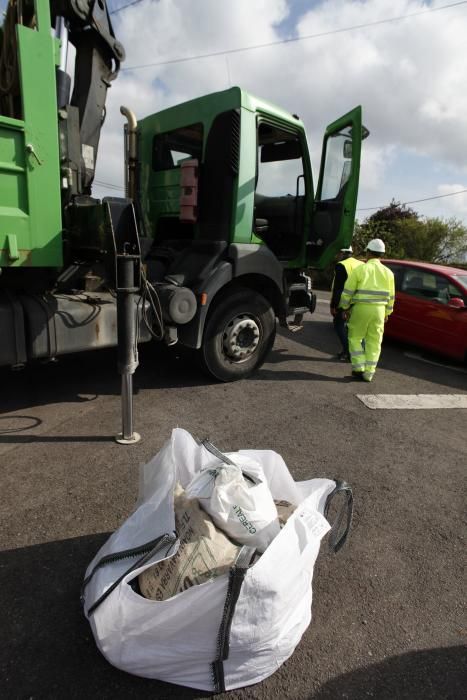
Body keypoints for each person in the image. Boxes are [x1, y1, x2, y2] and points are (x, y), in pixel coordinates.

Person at [339, 238, 395, 382]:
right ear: (381, 254)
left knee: (355, 337)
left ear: (368, 252)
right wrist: (387, 313)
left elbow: (348, 291)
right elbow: (391, 297)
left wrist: (344, 307)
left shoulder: (361, 269)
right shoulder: (389, 273)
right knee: (374, 342)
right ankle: (369, 373)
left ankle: (358, 368)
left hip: (361, 308)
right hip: (380, 311)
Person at [330, 246, 363, 361]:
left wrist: (333, 305)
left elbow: (338, 288)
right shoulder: (360, 264)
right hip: (359, 301)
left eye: (338, 253)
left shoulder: (342, 265)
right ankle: (346, 351)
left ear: (342, 253)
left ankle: (348, 352)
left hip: (345, 301)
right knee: (351, 328)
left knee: (338, 324)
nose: (337, 256)